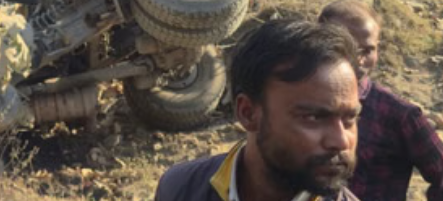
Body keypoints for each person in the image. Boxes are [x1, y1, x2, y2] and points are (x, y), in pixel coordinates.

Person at [154, 20, 362, 201]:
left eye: (349, 119)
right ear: (247, 113)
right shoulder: (181, 190)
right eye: (313, 117)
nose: (342, 141)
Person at [319, 0, 443, 201]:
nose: (357, 59)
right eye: (345, 47)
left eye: (367, 50)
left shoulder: (399, 115)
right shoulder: (299, 106)